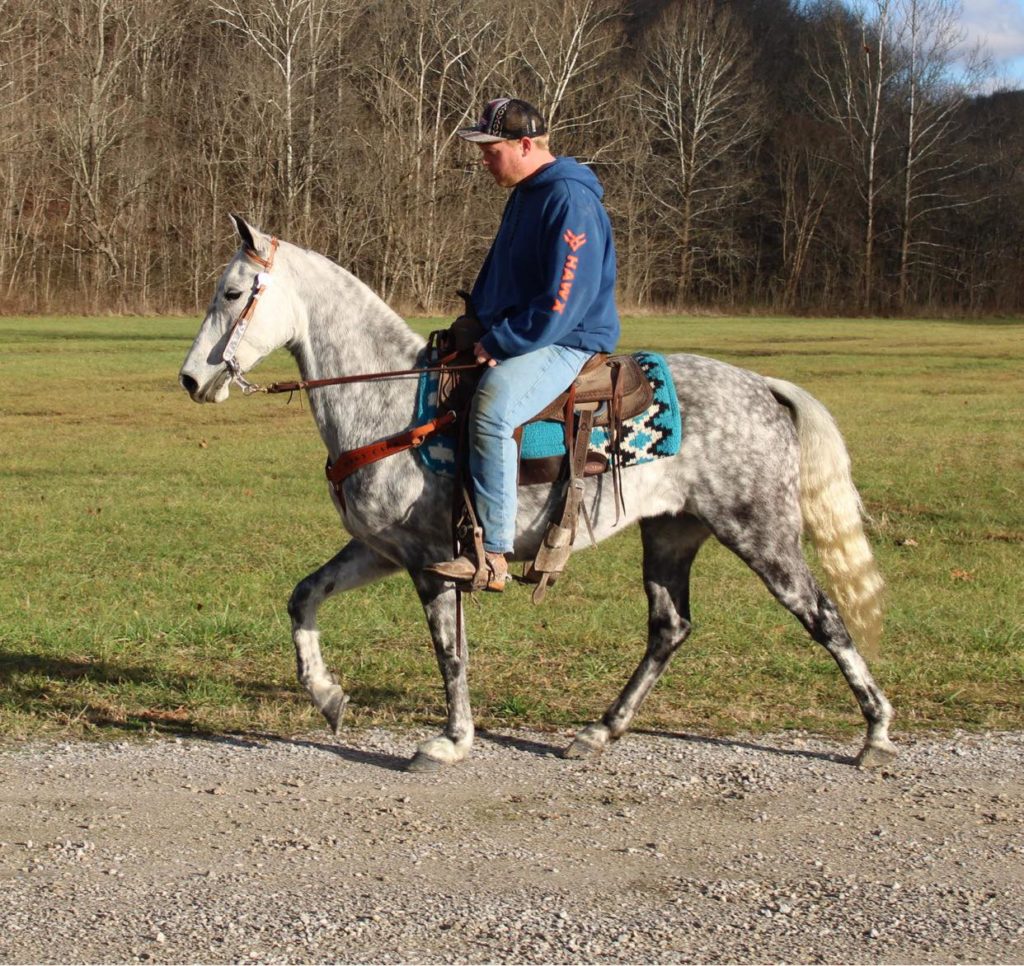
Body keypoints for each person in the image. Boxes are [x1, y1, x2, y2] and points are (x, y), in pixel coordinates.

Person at [426, 97, 620, 591]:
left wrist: (506, 341)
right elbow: (500, 273)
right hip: (526, 331)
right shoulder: (526, 192)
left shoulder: (569, 200)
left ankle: (490, 552)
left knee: (493, 410)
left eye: (492, 150)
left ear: (526, 145)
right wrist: (475, 322)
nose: (484, 160)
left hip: (566, 340)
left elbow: (564, 299)